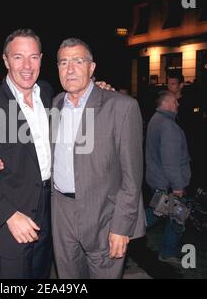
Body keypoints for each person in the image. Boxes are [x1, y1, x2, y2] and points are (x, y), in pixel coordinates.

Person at [48, 38, 145, 278]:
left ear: (92, 68)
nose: (69, 69)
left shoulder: (122, 107)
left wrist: (122, 227)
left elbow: (132, 177)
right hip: (61, 213)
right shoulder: (55, 105)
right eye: (63, 62)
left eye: (78, 61)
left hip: (104, 216)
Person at [0, 29, 54, 279]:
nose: (27, 65)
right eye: (18, 57)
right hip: (15, 212)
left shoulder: (47, 94)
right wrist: (8, 216)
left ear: (41, 59)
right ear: (5, 60)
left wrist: (100, 88)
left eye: (33, 57)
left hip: (51, 210)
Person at [145, 90, 191, 265]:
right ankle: (167, 252)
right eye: (175, 101)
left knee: (163, 213)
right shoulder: (169, 126)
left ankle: (123, 231)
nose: (178, 104)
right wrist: (178, 186)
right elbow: (171, 161)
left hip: (157, 179)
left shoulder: (155, 120)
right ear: (166, 103)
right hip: (168, 184)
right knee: (177, 216)